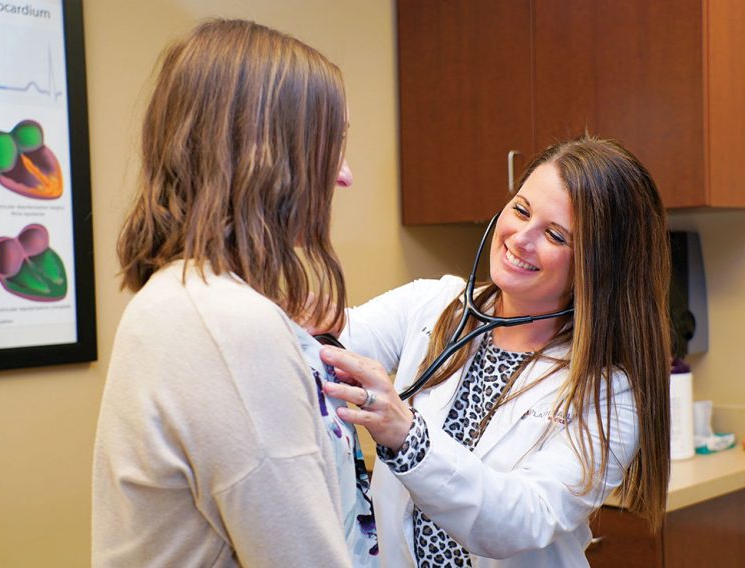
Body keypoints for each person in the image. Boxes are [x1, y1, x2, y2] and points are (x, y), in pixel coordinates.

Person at [92, 19, 377, 567]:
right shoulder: (227, 323)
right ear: (268, 154)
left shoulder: (184, 298)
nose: (344, 175)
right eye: (330, 145)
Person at [320, 134, 671, 567]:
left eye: (555, 236)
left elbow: (522, 520)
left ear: (598, 269)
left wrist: (408, 437)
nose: (521, 238)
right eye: (521, 210)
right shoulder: (431, 305)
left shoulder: (608, 392)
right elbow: (322, 349)